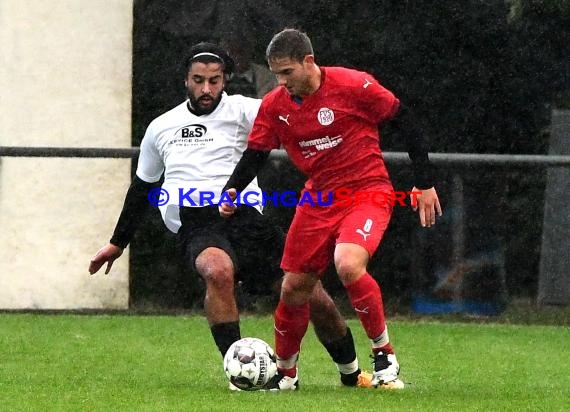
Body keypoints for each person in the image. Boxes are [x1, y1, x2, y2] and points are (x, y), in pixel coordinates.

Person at [88, 42, 373, 390]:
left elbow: (296, 115)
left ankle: (352, 373)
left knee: (313, 296)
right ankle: (242, 375)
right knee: (217, 270)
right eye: (198, 80)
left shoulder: (246, 111)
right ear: (185, 81)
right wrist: (118, 243)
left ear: (225, 79)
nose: (206, 89)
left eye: (214, 80)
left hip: (247, 218)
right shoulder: (162, 127)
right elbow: (141, 187)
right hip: (196, 222)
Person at [219, 29, 443, 390]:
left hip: (368, 191)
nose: (281, 82)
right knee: (293, 288)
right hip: (319, 199)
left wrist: (424, 182)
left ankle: (384, 356)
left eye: (287, 72)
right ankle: (286, 375)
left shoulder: (354, 86)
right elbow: (257, 153)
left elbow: (406, 122)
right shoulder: (275, 106)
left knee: (348, 264)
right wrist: (231, 190)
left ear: (309, 62)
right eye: (276, 74)